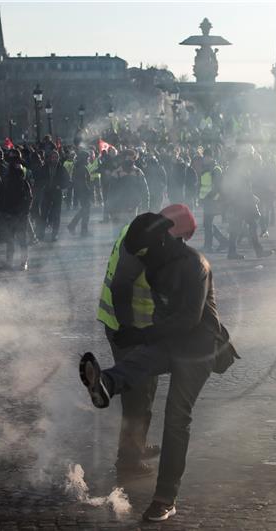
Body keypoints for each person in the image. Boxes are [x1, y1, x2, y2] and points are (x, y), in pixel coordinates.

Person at [80, 211, 231, 522]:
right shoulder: (154, 265)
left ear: (165, 239)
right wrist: (139, 337)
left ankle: (165, 498)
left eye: (145, 254)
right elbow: (165, 317)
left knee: (176, 418)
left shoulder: (195, 266)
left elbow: (188, 320)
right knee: (139, 361)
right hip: (170, 338)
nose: (143, 262)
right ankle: (105, 384)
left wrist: (143, 334)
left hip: (198, 348)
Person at [96, 204, 198, 480]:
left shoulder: (145, 232)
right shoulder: (143, 244)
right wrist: (127, 328)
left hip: (141, 327)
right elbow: (120, 286)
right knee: (137, 393)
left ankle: (137, 443)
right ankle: (128, 459)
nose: (181, 245)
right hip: (126, 327)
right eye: (181, 238)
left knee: (147, 385)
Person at [0, 162, 33, 271]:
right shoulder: (7, 183)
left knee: (18, 240)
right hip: (11, 215)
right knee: (13, 240)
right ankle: (14, 262)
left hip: (18, 216)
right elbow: (0, 198)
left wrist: (24, 212)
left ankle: (21, 262)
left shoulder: (23, 183)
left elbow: (29, 199)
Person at [67, 151, 92, 237]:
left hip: (81, 192)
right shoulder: (82, 168)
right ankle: (82, 230)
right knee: (86, 211)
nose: (88, 160)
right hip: (84, 192)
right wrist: (89, 192)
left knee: (84, 210)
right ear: (83, 159)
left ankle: (74, 226)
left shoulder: (80, 167)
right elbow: (83, 182)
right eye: (87, 158)